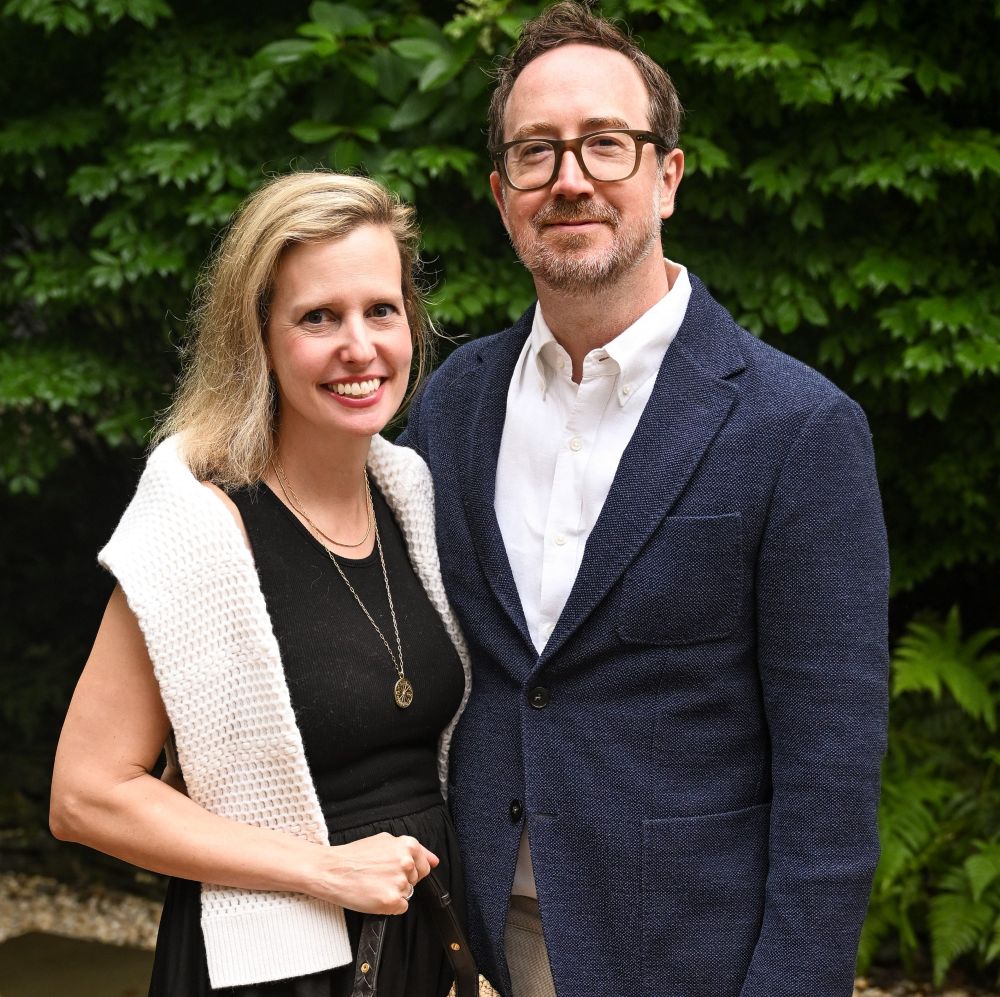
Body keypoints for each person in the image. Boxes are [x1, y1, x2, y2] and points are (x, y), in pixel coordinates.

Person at [400, 4, 890, 996]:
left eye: (604, 145)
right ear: (502, 195)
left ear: (667, 174)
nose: (569, 177)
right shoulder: (453, 403)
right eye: (536, 152)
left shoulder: (797, 427)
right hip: (468, 935)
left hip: (691, 952)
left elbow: (828, 780)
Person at [50, 171, 474, 996]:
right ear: (260, 338)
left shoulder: (412, 497)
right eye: (318, 317)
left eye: (380, 310)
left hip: (417, 945)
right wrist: (322, 871)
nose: (359, 345)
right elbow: (85, 795)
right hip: (280, 968)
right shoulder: (202, 529)